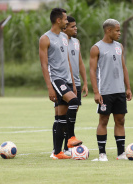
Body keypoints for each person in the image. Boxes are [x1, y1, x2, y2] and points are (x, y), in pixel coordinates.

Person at [39, 8, 83, 159]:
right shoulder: (45, 38)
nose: (67, 21)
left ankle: (57, 152)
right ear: (58, 20)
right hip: (56, 79)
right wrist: (50, 87)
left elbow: (68, 61)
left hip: (68, 80)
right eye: (65, 19)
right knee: (74, 102)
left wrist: (74, 84)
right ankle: (71, 137)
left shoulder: (64, 37)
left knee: (61, 118)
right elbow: (44, 65)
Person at [89, 19, 132, 161]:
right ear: (109, 30)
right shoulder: (96, 48)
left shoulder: (120, 46)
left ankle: (121, 154)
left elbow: (123, 67)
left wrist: (128, 88)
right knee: (103, 121)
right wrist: (96, 91)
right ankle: (102, 154)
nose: (119, 33)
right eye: (117, 30)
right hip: (105, 92)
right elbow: (92, 71)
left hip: (119, 91)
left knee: (120, 121)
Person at [50, 16, 88, 157]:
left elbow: (80, 62)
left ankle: (66, 148)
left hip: (75, 83)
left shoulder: (76, 42)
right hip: (62, 81)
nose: (75, 28)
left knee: (71, 115)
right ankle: (56, 149)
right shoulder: (59, 41)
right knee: (59, 117)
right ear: (64, 28)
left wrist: (84, 82)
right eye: (72, 26)